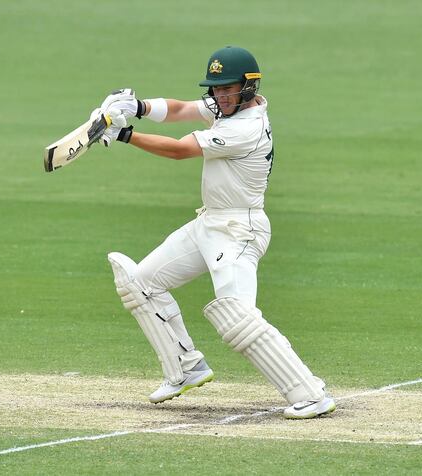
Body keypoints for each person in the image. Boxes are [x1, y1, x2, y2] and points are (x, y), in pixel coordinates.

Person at [97, 46, 335, 419]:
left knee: (237, 316)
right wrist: (136, 107)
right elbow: (179, 110)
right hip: (209, 222)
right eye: (216, 89)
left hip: (239, 230)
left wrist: (126, 134)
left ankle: (310, 393)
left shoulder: (246, 125)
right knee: (140, 283)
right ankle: (185, 367)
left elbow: (179, 150)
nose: (219, 96)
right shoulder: (227, 105)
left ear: (248, 87)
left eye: (227, 88)